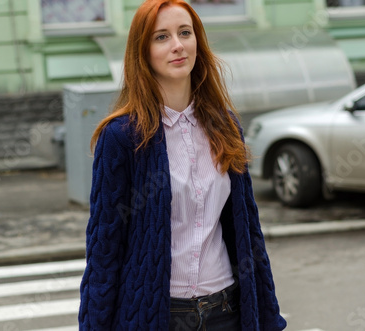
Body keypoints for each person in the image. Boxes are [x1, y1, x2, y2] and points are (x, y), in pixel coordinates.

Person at [78, 0, 287, 330]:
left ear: (197, 43)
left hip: (226, 312)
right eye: (161, 37)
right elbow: (104, 249)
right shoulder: (121, 137)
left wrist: (270, 318)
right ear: (142, 51)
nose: (177, 45)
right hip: (159, 316)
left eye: (184, 33)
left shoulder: (225, 125)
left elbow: (249, 232)